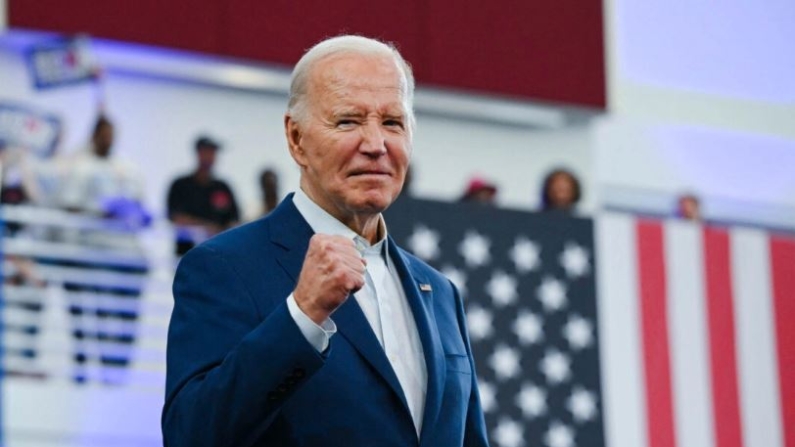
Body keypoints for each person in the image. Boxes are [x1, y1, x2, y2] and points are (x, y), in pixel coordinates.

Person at [162, 35, 489, 447]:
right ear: (296, 138)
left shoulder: (439, 293)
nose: (375, 145)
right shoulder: (223, 267)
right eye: (348, 121)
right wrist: (302, 315)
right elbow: (190, 436)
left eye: (392, 122)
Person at [166, 135, 240, 255]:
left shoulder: (223, 187)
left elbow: (234, 220)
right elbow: (176, 217)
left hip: (217, 254)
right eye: (207, 151)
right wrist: (206, 228)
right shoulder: (180, 185)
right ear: (198, 153)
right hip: (186, 254)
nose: (210, 156)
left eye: (213, 152)